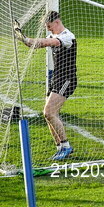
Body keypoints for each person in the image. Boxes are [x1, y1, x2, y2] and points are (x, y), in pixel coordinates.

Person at [14, 11, 77, 161]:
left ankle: (67, 147)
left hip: (67, 80)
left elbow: (47, 43)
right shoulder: (52, 35)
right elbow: (34, 45)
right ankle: (60, 147)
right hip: (57, 79)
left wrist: (25, 37)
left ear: (57, 22)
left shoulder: (67, 37)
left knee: (49, 112)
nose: (48, 29)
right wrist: (21, 36)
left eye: (49, 26)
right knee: (47, 114)